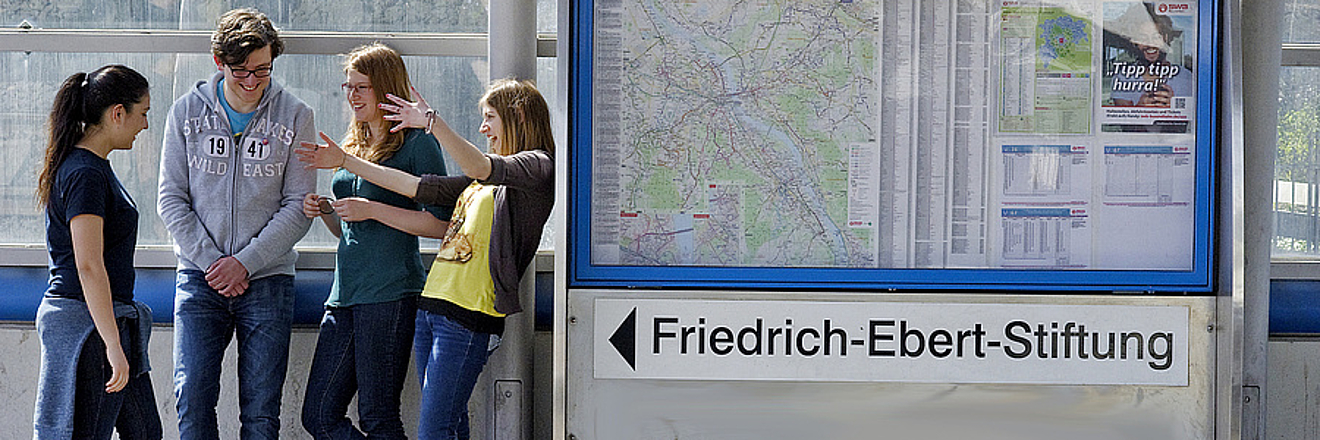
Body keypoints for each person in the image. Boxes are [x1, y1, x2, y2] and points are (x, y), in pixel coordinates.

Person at [297, 78, 554, 440]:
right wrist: (346, 162)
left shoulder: (536, 167)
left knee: (434, 431)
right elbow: (414, 187)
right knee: (450, 426)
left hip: (469, 316)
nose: (483, 127)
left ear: (520, 115)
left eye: (489, 117)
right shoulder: (478, 181)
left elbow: (482, 167)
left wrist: (432, 123)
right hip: (432, 309)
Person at [157, 8, 315, 439]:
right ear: (219, 63)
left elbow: (299, 204)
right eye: (240, 71)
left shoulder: (296, 115)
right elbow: (170, 200)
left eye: (262, 70)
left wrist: (245, 262)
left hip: (268, 280)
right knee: (191, 397)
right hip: (197, 277)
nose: (251, 81)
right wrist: (213, 262)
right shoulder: (186, 112)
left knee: (262, 411)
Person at [299, 43, 452, 440]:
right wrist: (329, 211)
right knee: (318, 415)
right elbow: (348, 231)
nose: (351, 95)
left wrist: (373, 209)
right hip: (345, 294)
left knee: (379, 416)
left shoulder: (417, 144)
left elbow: (441, 225)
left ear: (385, 89)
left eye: (361, 87)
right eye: (347, 86)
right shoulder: (353, 143)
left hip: (390, 293)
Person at [34, 64, 162, 440]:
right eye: (143, 114)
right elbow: (88, 265)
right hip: (90, 329)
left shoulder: (94, 169)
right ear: (117, 113)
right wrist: (111, 344)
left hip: (111, 322)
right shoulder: (85, 174)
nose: (145, 125)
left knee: (145, 433)